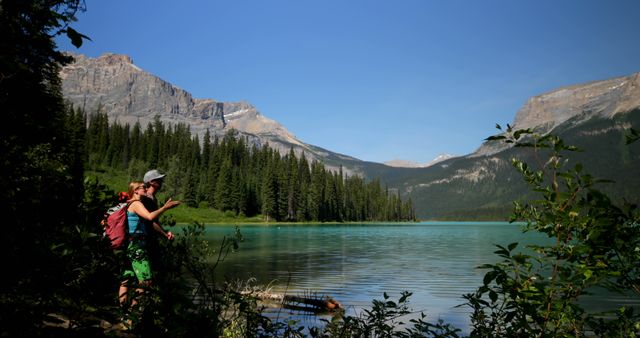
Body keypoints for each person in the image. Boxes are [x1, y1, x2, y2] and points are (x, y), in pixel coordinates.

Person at [119, 181, 180, 313]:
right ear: (135, 190)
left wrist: (164, 234)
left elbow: (150, 222)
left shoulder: (129, 203)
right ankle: (133, 315)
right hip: (136, 246)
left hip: (128, 245)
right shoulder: (136, 204)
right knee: (146, 281)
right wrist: (165, 208)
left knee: (126, 280)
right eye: (143, 188)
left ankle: (123, 314)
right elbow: (150, 216)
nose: (146, 189)